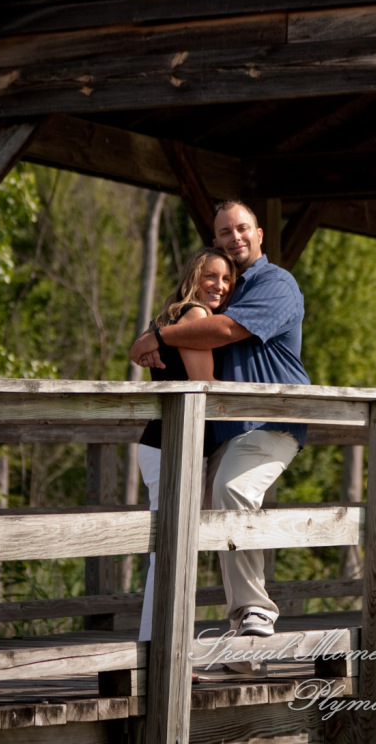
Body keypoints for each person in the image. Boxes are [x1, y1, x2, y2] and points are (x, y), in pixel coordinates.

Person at [130, 200, 309, 644]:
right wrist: (149, 340)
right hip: (217, 434)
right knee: (183, 535)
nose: (236, 238)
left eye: (243, 228)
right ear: (215, 241)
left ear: (260, 233)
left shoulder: (275, 283)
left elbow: (227, 332)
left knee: (229, 491)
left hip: (270, 421)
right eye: (226, 232)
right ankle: (215, 645)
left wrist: (154, 338)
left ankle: (254, 611)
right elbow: (200, 342)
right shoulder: (211, 303)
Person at [137, 246, 236, 641]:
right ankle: (163, 649)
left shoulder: (167, 318)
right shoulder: (195, 316)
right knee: (171, 553)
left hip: (163, 444)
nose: (220, 285)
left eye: (227, 279)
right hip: (174, 446)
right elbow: (204, 386)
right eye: (211, 276)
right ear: (194, 276)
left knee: (167, 551)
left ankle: (156, 644)